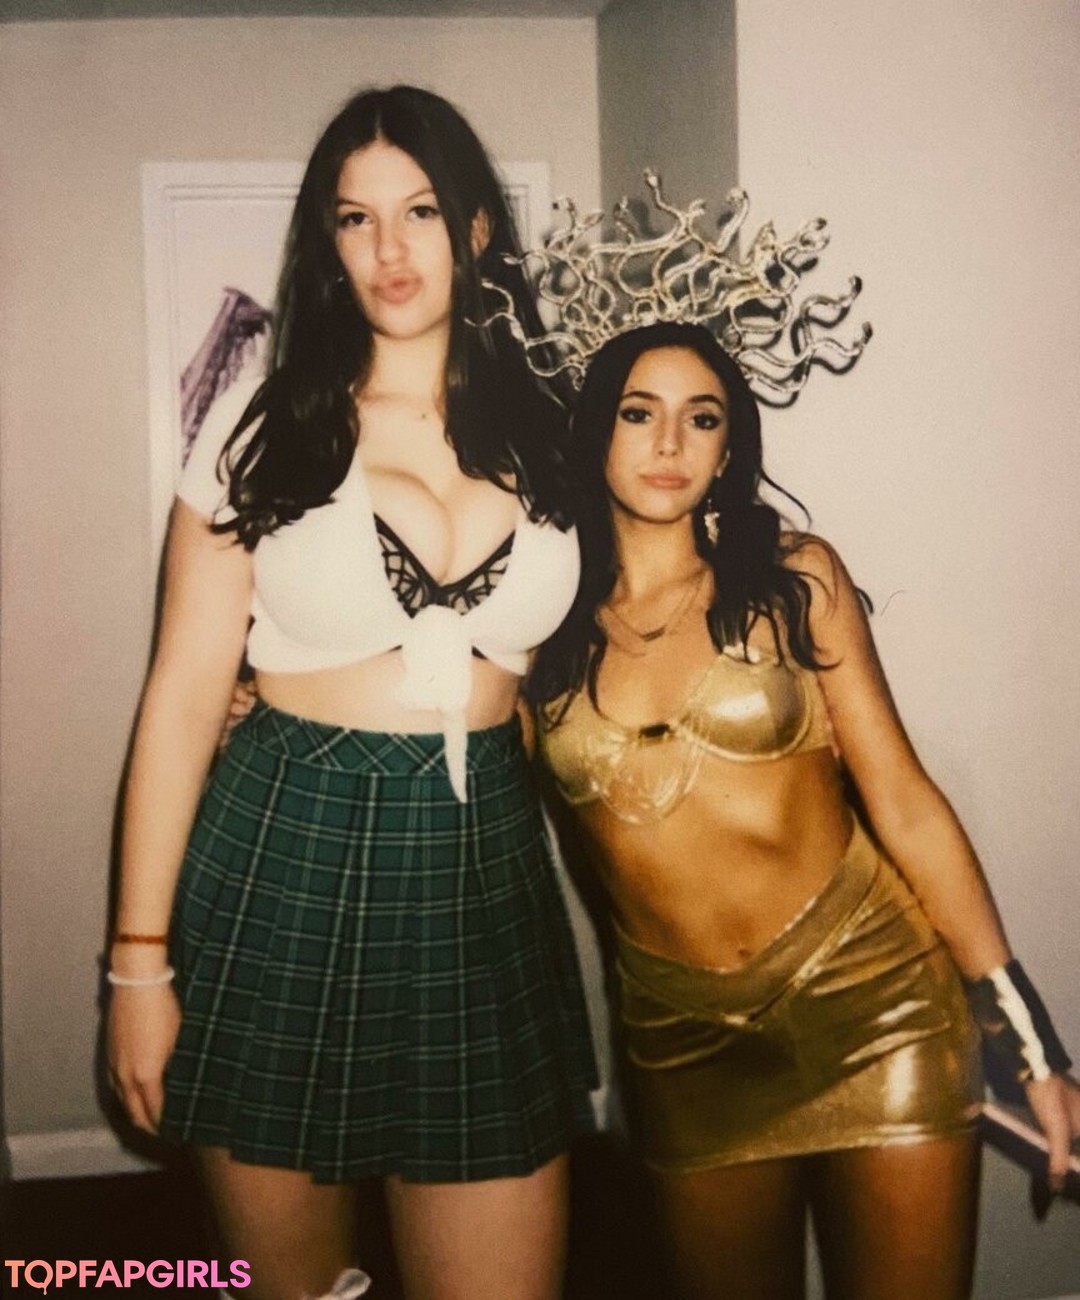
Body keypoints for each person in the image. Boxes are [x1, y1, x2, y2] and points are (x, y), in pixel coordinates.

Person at [106, 85, 596, 1300]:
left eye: (420, 211)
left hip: (481, 866)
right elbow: (180, 699)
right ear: (326, 243)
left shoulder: (556, 423)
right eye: (355, 218)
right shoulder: (261, 421)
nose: (389, 249)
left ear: (475, 228)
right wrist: (136, 968)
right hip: (285, 853)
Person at [530, 319, 1080, 1300]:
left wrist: (1029, 1045)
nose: (670, 443)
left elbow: (905, 802)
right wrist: (257, 693)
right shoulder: (537, 636)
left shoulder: (794, 581)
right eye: (639, 414)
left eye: (702, 418)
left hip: (880, 1011)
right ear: (595, 433)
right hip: (685, 1054)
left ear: (729, 447)